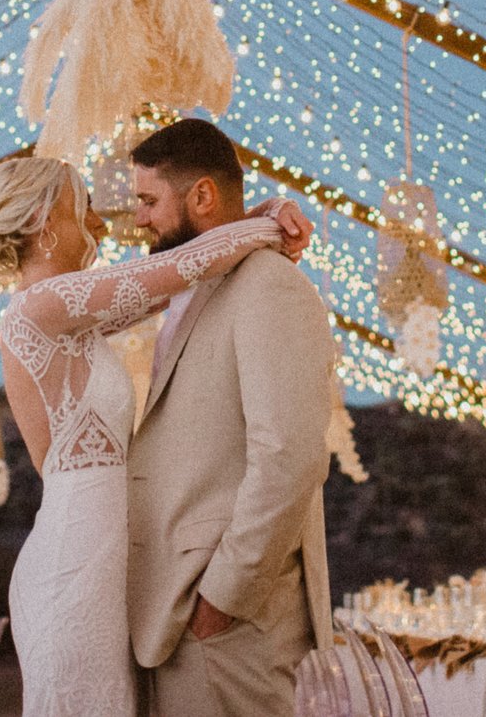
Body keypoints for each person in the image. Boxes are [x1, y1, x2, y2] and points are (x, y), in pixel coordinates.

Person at [0, 150, 312, 717]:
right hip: (75, 563)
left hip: (103, 561)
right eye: (86, 209)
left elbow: (181, 279)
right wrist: (266, 223)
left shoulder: (72, 315)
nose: (101, 224)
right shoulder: (36, 307)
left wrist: (261, 213)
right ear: (43, 223)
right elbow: (181, 269)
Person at [126, 118, 335, 717]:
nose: (138, 218)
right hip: (175, 613)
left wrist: (223, 599)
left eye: (148, 200)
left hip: (229, 623)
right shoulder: (194, 283)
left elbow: (290, 455)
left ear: (202, 197)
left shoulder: (271, 287)